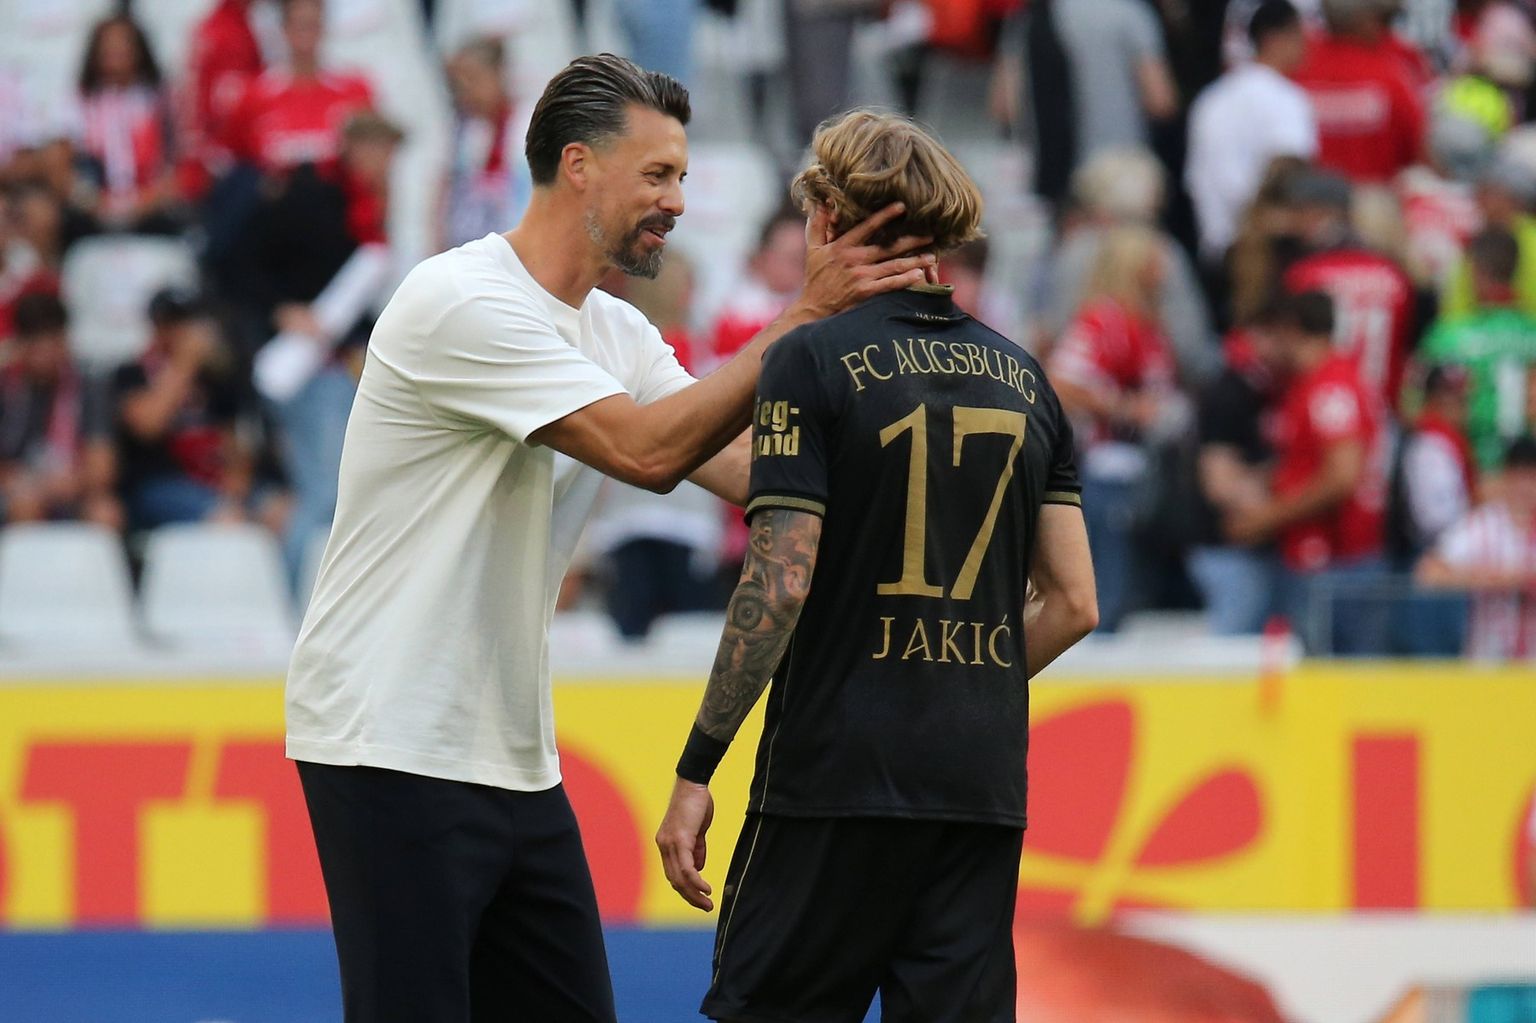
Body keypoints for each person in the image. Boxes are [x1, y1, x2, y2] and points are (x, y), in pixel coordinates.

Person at [284, 54, 935, 1022]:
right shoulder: (461, 300)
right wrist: (805, 315)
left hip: (511, 753)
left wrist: (934, 455)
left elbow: (749, 470)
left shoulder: (615, 333)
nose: (678, 201)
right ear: (578, 165)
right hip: (389, 736)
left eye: (682, 176)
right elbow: (646, 451)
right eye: (658, 174)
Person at [654, 108, 1098, 1023]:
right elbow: (1075, 602)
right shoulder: (1028, 380)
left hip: (832, 777)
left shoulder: (810, 360)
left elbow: (780, 579)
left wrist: (699, 766)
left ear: (825, 218)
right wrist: (955, 676)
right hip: (977, 784)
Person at [1227, 291, 1389, 654]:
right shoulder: (1313, 383)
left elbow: (1343, 476)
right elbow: (1310, 463)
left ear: (1290, 330)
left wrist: (1268, 517)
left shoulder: (1330, 386)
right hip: (1325, 561)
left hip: (1336, 562)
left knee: (1332, 677)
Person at [1050, 224, 1185, 632]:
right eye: (1154, 262)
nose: (1164, 272)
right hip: (1107, 466)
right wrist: (1125, 407)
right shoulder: (1104, 320)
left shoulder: (1147, 321)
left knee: (1135, 591)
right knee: (1109, 587)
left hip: (1146, 467)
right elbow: (1061, 381)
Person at [1187, 0, 1318, 266]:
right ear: (1274, 39)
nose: (1305, 47)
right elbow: (1292, 182)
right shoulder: (1287, 100)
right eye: (1299, 37)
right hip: (1265, 256)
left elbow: (1196, 179)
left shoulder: (1211, 98)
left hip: (1213, 251)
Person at [111, 290, 254, 532]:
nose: (181, 331)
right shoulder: (132, 373)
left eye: (185, 322)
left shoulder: (214, 377)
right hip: (159, 484)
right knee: (227, 519)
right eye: (171, 323)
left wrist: (237, 478)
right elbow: (147, 425)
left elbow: (233, 439)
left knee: (280, 511)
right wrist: (185, 362)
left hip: (213, 482)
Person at [1282, 168, 1416, 413]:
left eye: (1301, 211)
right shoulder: (1392, 274)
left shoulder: (1305, 273)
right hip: (1382, 410)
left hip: (1326, 405)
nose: (1294, 223)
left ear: (1322, 213)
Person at [1188, 307, 1288, 634]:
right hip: (1228, 550)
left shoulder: (1265, 392)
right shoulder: (1230, 392)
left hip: (1250, 549)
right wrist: (1280, 484)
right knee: (1232, 650)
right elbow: (1219, 484)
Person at [1419, 225, 1536, 470]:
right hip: (1525, 468)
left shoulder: (1449, 337)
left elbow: (1416, 404)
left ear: (1477, 272)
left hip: (1472, 463)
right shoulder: (1531, 332)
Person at [0, 292, 118, 528]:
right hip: (18, 491)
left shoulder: (89, 388)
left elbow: (102, 469)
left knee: (106, 513)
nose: (45, 354)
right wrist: (21, 482)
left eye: (52, 342)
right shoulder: (6, 389)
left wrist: (66, 484)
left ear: (65, 340)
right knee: (25, 505)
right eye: (36, 344)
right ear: (20, 344)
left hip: (71, 487)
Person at [1417, 435, 1536, 659]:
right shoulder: (1482, 526)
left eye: (1531, 478)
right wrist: (1499, 579)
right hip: (1487, 662)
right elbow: (1428, 572)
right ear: (1505, 478)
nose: (1526, 488)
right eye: (1519, 477)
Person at [224, 0, 375, 176]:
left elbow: (372, 160)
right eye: (299, 25)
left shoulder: (354, 92)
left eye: (312, 25)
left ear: (323, 27)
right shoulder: (255, 94)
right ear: (284, 29)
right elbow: (235, 161)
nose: (306, 35)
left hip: (335, 191)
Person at [1294, 0, 1427, 183]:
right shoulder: (1389, 78)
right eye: (1384, 19)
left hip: (1305, 196)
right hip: (1375, 194)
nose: (1387, 30)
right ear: (1364, 21)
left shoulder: (1296, 67)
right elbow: (1419, 149)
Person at [73, 13, 183, 232]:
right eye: (108, 44)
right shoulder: (79, 103)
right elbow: (67, 171)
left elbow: (180, 161)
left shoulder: (162, 102)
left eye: (123, 43)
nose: (115, 50)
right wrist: (94, 203)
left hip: (154, 206)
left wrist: (148, 201)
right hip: (92, 210)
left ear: (139, 50)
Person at [1051, 0, 1178, 169]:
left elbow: (1015, 105)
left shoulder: (1045, 15)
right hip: (1124, 157)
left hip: (1061, 164)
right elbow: (1161, 102)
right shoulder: (1129, 13)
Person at [441, 36, 534, 250]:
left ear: (499, 74)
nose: (465, 91)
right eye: (458, 84)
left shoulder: (528, 125)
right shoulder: (467, 133)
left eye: (473, 79)